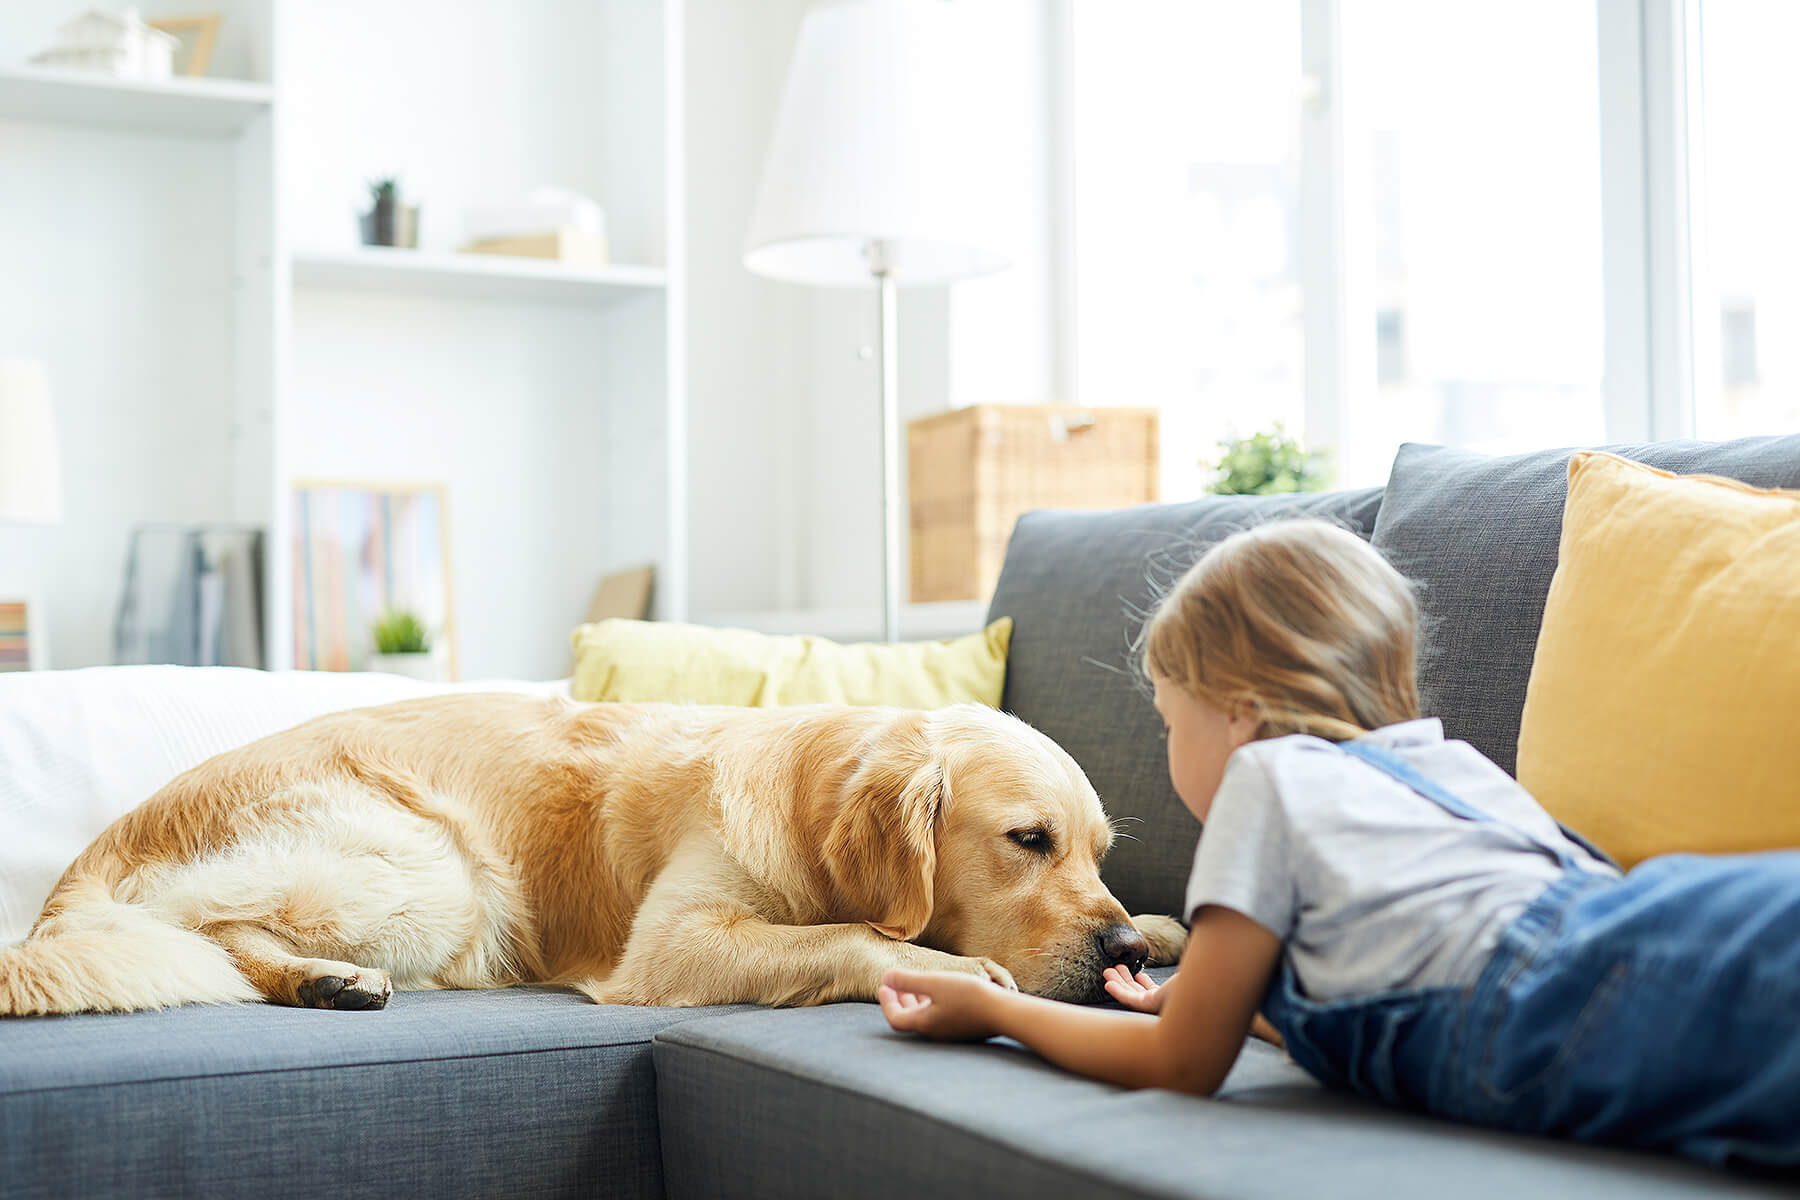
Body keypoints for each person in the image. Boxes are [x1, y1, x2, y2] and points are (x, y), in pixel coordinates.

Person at [878, 519, 1800, 1170]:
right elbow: (1409, 970)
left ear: (1236, 713)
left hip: (1569, 996)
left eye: (1169, 720)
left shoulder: (1267, 783)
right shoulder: (1452, 765)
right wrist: (1211, 999)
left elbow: (1184, 1068)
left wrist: (994, 1015)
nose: (1169, 751)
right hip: (1647, 923)